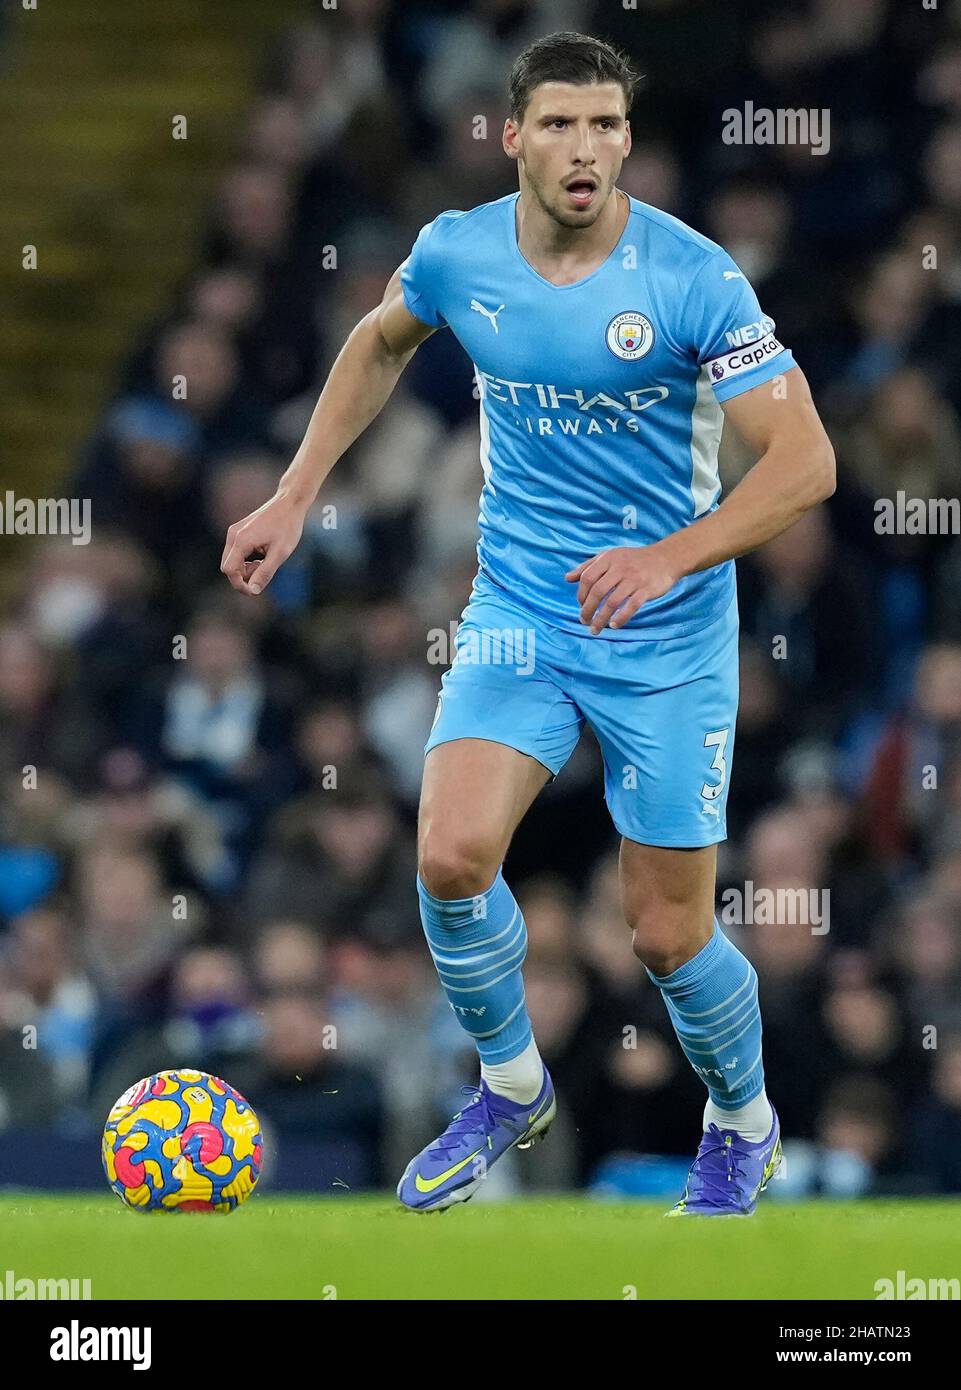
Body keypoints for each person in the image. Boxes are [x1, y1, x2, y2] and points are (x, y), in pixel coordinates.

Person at [221, 32, 835, 1216]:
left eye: (607, 125)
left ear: (625, 144)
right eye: (560, 123)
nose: (586, 147)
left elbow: (803, 462)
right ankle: (509, 1084)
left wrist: (668, 555)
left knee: (664, 932)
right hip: (521, 609)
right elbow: (376, 342)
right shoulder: (457, 253)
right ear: (513, 136)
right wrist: (295, 493)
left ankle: (742, 1121)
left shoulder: (692, 278)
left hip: (668, 630)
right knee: (449, 857)